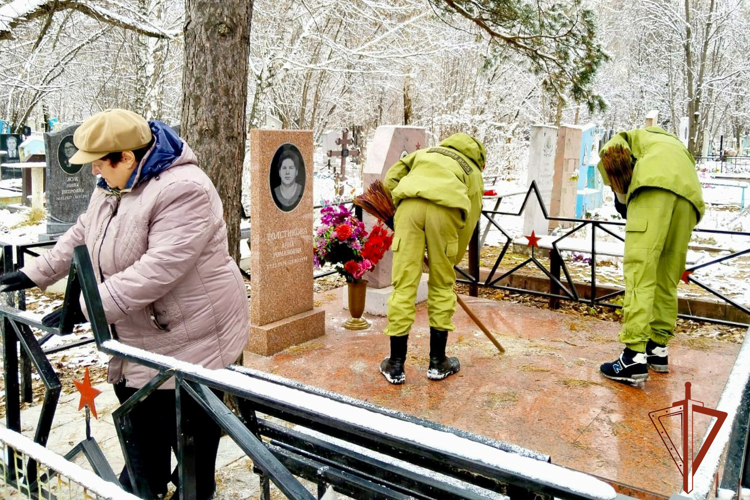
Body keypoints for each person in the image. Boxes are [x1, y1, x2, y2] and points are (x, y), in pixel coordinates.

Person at [0, 109, 249, 499]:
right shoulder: (114, 184)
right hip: (136, 340)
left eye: (101, 163)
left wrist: (87, 308)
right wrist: (37, 272)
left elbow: (160, 267)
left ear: (128, 157)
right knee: (143, 450)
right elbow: (86, 230)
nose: (95, 173)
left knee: (192, 459)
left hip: (193, 340)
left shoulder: (185, 189)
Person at [597, 126, 704, 385]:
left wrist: (621, 198)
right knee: (666, 277)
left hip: (653, 189)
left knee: (640, 272)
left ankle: (633, 356)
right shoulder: (674, 145)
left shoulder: (629, 137)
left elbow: (611, 154)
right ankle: (657, 349)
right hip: (689, 199)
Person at [379, 133, 485, 385]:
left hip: (409, 209)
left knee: (404, 284)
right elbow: (470, 220)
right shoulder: (473, 171)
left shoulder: (425, 153)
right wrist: (448, 258)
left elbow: (391, 178)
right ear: (479, 157)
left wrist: (399, 211)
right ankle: (438, 362)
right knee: (441, 285)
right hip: (446, 213)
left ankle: (395, 365)